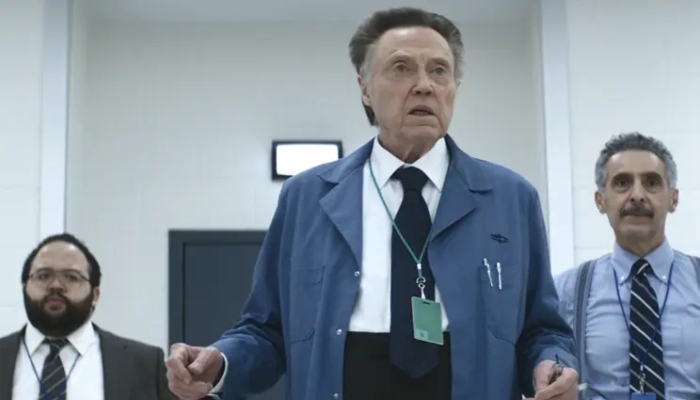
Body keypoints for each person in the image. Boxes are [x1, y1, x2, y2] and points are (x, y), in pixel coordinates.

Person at [166, 7, 579, 400]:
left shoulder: (510, 198)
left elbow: (543, 331)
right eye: (402, 68)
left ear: (455, 87)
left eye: (439, 70)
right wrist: (220, 362)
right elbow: (266, 331)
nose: (424, 85)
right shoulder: (307, 198)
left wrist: (553, 364)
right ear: (364, 88)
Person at [554, 132, 700, 400]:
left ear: (673, 198)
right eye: (622, 183)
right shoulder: (567, 290)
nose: (637, 195)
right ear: (600, 200)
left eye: (652, 183)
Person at [0, 233, 177, 400]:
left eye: (71, 277)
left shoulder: (144, 363)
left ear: (95, 295)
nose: (55, 285)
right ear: (25, 288)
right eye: (44, 275)